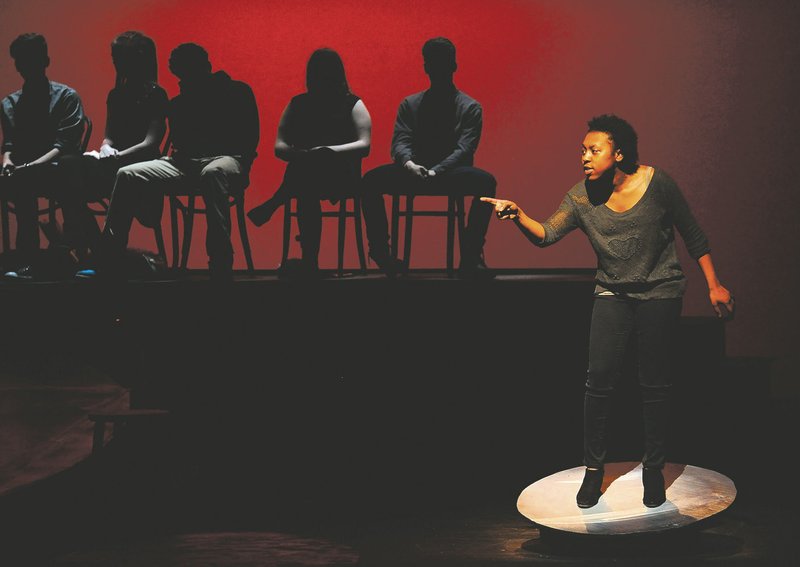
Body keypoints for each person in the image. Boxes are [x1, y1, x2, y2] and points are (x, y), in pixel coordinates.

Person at [482, 114, 735, 508]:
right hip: (612, 293)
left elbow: (694, 235)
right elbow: (547, 235)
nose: (585, 156)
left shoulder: (658, 184)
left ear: (617, 153)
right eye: (583, 150)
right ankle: (593, 472)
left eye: (594, 149)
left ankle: (654, 469)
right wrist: (518, 216)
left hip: (660, 291)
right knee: (598, 383)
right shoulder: (581, 197)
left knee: (654, 384)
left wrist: (714, 285)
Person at [87, 42, 259, 281]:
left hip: (228, 159)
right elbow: (181, 143)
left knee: (212, 173)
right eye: (181, 74)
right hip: (185, 162)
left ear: (205, 67)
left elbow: (250, 136)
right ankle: (109, 257)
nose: (183, 79)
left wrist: (237, 156)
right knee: (127, 174)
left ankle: (220, 261)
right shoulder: (179, 103)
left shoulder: (237, 91)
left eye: (188, 72)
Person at [360, 37, 496, 279]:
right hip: (419, 172)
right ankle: (381, 253)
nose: (437, 70)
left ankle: (470, 255)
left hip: (449, 173)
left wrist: (435, 170)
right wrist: (410, 164)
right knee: (369, 181)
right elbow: (401, 142)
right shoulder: (412, 104)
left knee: (486, 183)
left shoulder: (469, 107)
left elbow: (464, 149)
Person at [247, 48, 371, 277]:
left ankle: (279, 209)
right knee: (307, 174)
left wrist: (328, 151)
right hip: (308, 175)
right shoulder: (299, 104)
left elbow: (364, 145)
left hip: (341, 176)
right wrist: (307, 155)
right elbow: (280, 147)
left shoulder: (351, 104)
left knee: (307, 172)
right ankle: (306, 255)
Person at [59, 31, 167, 271]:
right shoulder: (116, 95)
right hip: (113, 162)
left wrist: (118, 156)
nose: (115, 62)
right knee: (67, 166)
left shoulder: (156, 95)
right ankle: (100, 249)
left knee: (118, 177)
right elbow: (109, 136)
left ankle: (101, 252)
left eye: (119, 57)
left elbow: (150, 144)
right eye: (114, 57)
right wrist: (105, 148)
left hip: (142, 165)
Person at [1, 33, 85, 280]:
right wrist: (7, 160)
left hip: (57, 169)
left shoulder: (66, 96)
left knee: (67, 172)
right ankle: (26, 258)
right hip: (23, 170)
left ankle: (67, 253)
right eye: (22, 60)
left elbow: (66, 145)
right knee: (20, 182)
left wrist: (32, 165)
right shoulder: (9, 103)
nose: (26, 66)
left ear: (45, 60)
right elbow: (9, 143)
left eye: (32, 59)